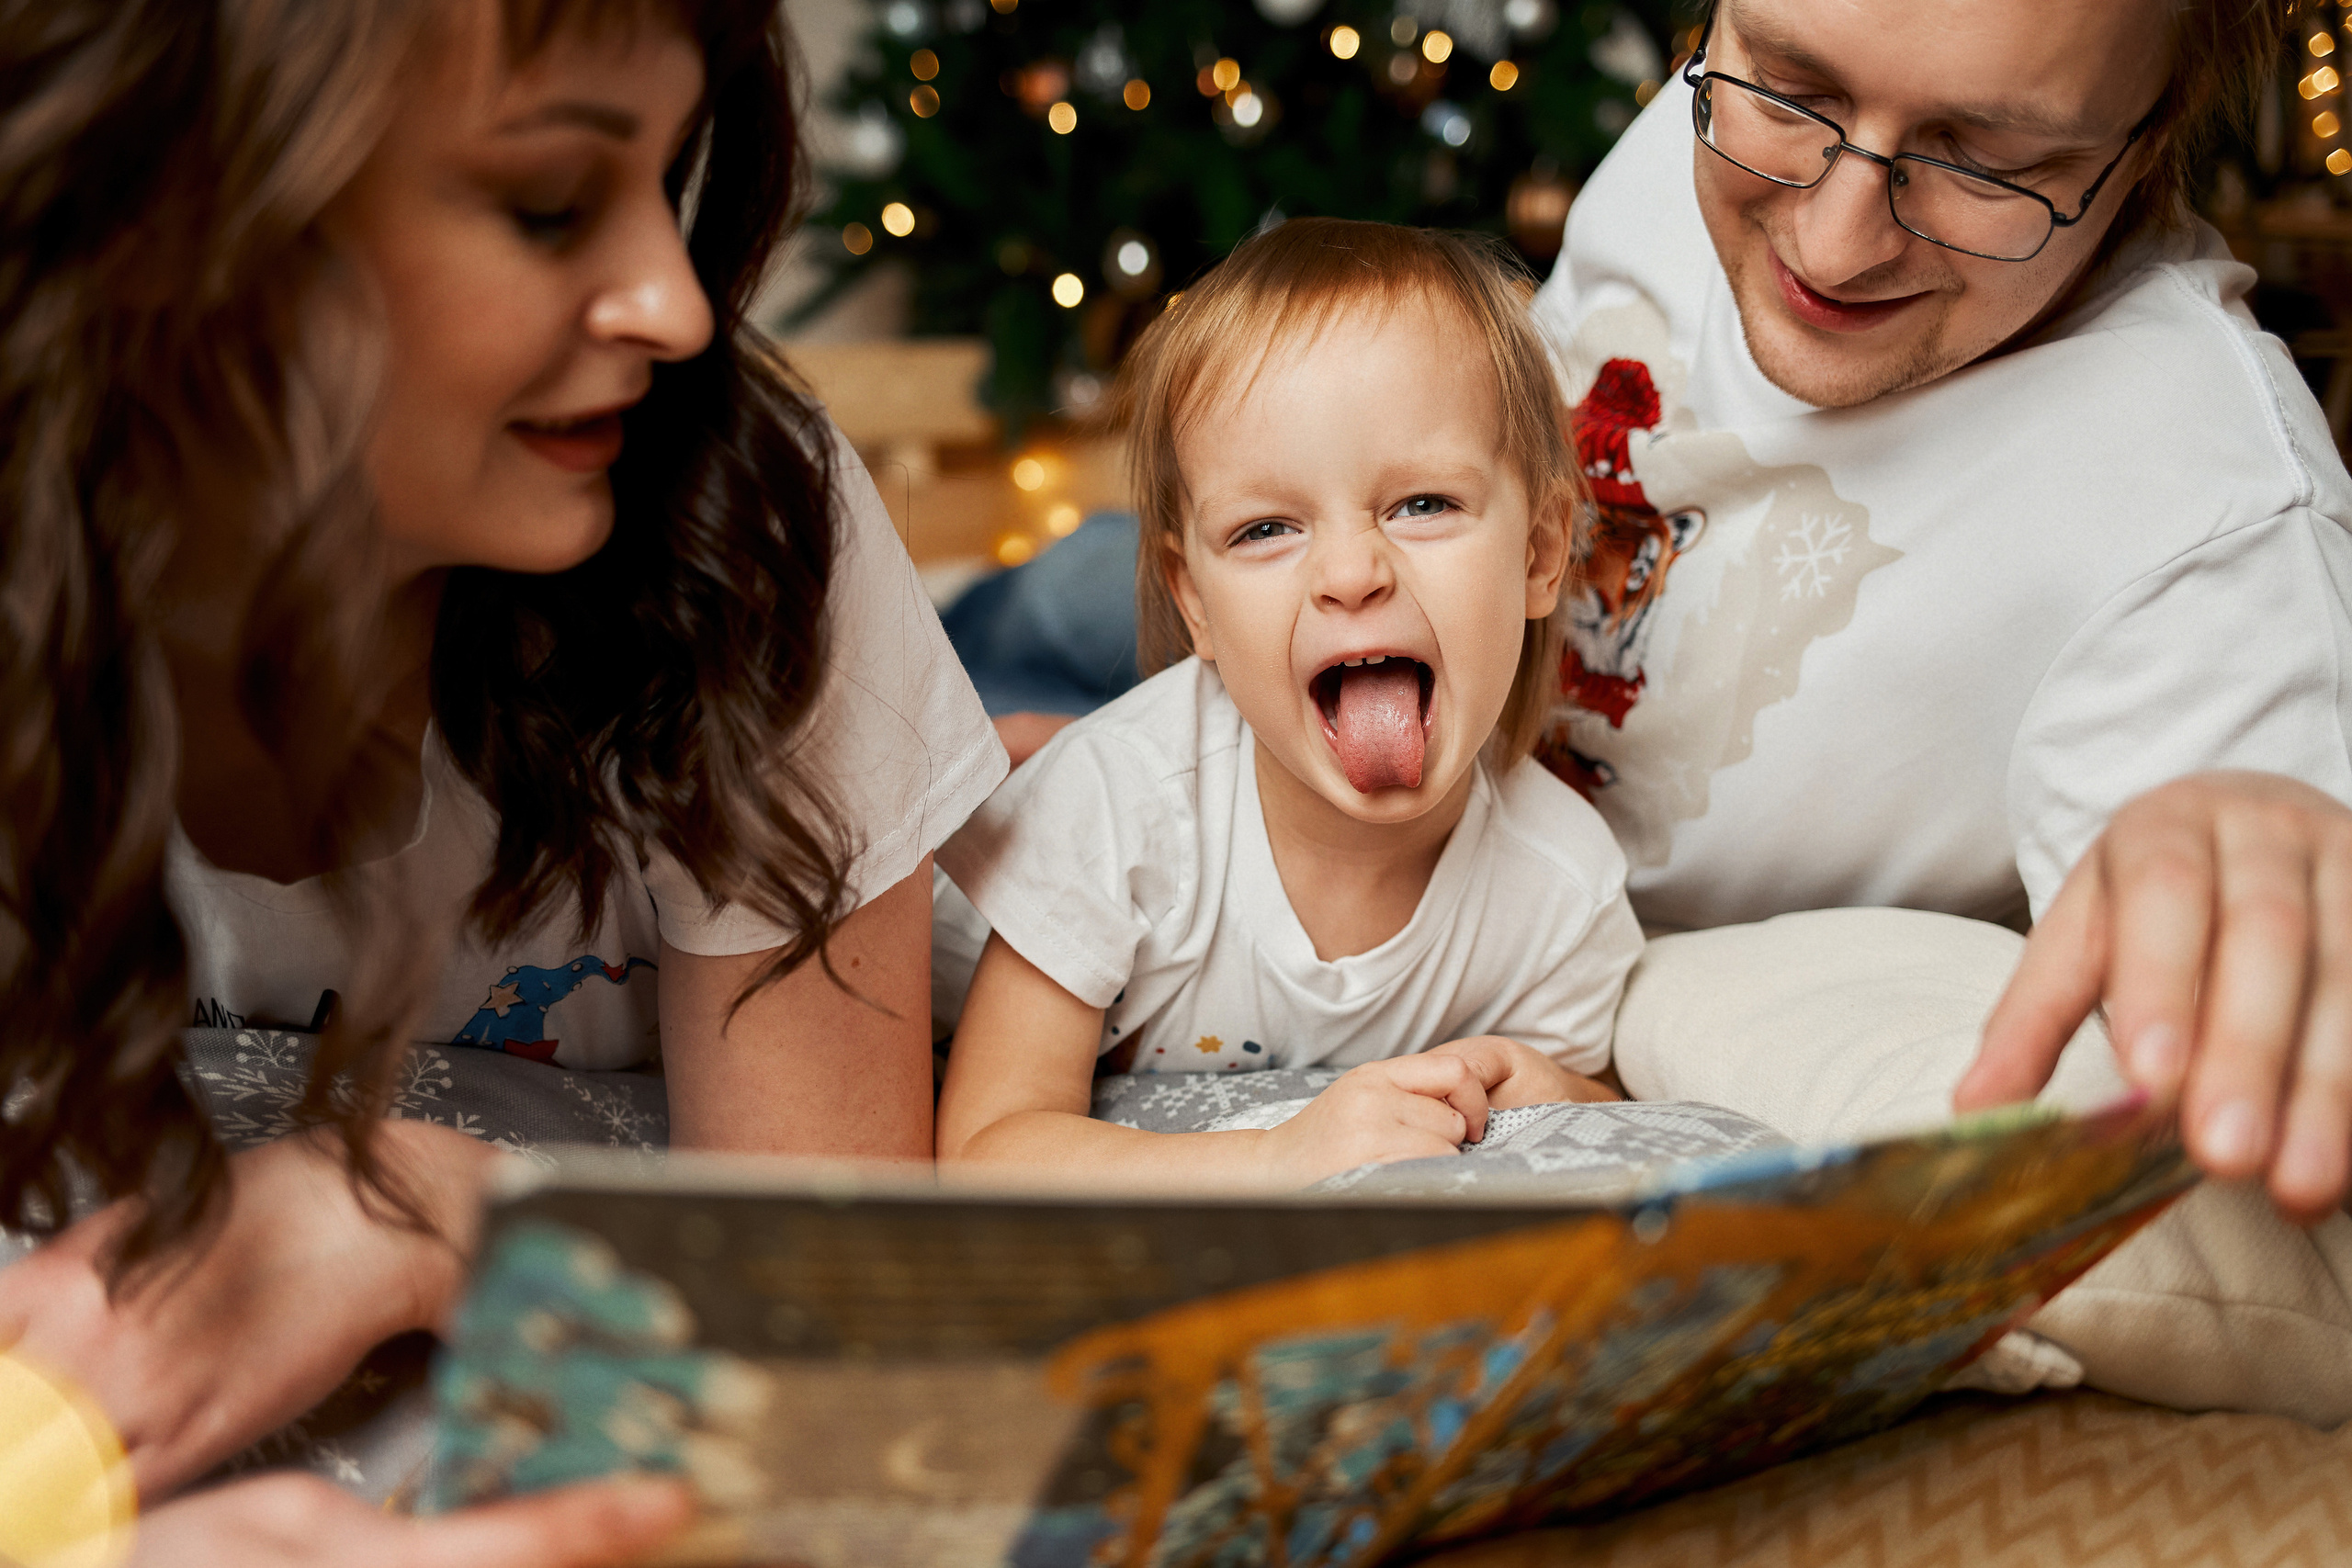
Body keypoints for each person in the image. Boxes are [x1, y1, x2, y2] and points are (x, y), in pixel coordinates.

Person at [979, 0, 2350, 1226]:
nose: (1829, 234)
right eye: (1789, 89)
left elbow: (2248, 964)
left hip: (1468, 816)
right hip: (1330, 658)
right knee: (1022, 627)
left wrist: (2252, 833)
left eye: (1983, 160)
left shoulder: (2222, 539)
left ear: (2153, 130)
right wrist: (1137, 768)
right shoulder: (1699, 112)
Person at [0, 0, 1001, 1557]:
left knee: (1109, 775)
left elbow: (824, 1329)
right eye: (547, 204)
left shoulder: (742, 521)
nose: (675, 304)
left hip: (906, 863)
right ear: (189, 222)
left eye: (668, 183)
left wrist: (403, 1205)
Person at [935, 220, 1642, 1188]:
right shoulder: (1115, 813)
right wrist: (1280, 1156)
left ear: (1539, 552)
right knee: (970, 730)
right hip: (965, 877)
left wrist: (1552, 1087)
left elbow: (1624, 1119)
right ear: (1195, 602)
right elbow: (985, 1152)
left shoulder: (1560, 886)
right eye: (1266, 527)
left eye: (1422, 504)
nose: (1350, 574)